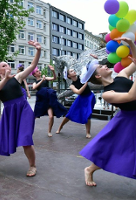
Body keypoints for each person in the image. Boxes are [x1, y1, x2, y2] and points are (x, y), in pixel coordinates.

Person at [79, 37, 136, 186]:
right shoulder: (107, 93)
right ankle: (90, 170)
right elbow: (131, 96)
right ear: (98, 76)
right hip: (130, 120)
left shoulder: (122, 75)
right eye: (101, 67)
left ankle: (90, 169)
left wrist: (130, 44)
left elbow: (135, 61)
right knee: (113, 151)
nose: (105, 66)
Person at [0, 40, 41, 177]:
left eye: (8, 64)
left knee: (26, 139)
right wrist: (6, 78)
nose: (7, 66)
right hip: (9, 112)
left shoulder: (18, 77)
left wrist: (38, 50)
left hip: (23, 110)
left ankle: (32, 166)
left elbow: (33, 65)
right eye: (4, 65)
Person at [56, 68, 96, 138]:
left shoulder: (81, 77)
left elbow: (89, 72)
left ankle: (88, 132)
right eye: (71, 71)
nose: (74, 71)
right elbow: (78, 92)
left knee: (88, 114)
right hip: (81, 98)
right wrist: (86, 83)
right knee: (70, 113)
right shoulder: (72, 85)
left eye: (73, 70)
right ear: (69, 76)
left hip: (89, 97)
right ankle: (60, 127)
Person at [32, 65, 68, 137]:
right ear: (34, 74)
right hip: (41, 101)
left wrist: (53, 71)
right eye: (37, 71)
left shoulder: (45, 78)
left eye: (39, 70)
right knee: (34, 117)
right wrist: (42, 80)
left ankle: (49, 131)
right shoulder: (35, 82)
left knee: (51, 117)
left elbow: (54, 78)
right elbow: (34, 87)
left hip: (48, 100)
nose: (39, 71)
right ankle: (28, 129)